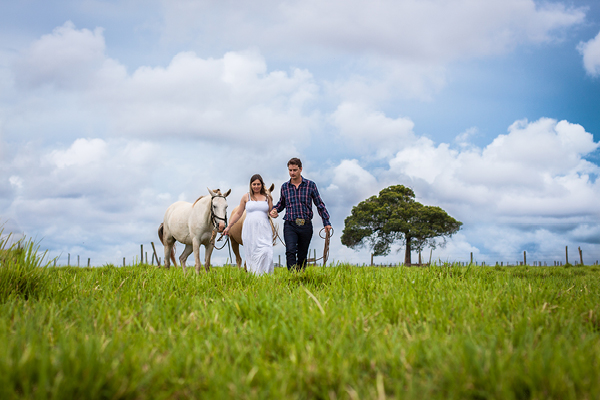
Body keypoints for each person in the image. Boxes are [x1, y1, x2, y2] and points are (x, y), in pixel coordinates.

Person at [270, 158, 332, 271]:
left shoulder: (310, 185)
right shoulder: (284, 187)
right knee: (290, 250)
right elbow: (281, 204)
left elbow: (320, 205)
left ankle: (301, 276)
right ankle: (292, 276)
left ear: (301, 169)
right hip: (290, 224)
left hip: (306, 225)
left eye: (295, 170)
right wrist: (275, 210)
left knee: (302, 255)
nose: (292, 173)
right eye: (290, 170)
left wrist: (326, 222)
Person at [223, 174, 274, 275]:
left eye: (258, 184)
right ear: (250, 185)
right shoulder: (246, 197)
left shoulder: (267, 197)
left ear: (261, 184)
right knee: (252, 253)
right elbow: (238, 213)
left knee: (267, 251)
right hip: (250, 228)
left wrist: (275, 213)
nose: (256, 186)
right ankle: (255, 276)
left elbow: (271, 211)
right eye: (254, 184)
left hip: (264, 228)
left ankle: (266, 275)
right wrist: (229, 226)